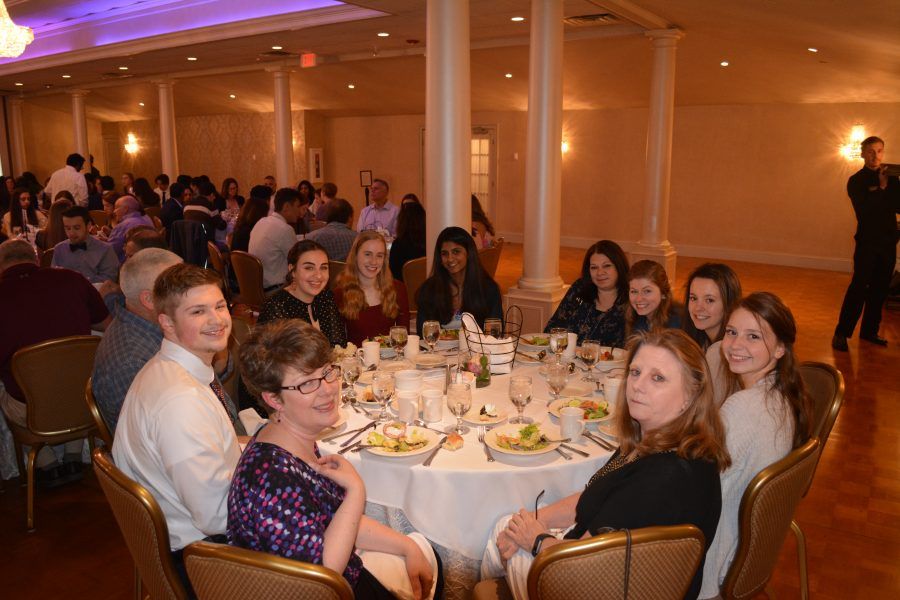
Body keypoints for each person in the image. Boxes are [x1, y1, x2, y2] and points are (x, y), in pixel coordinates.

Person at [482, 329, 730, 600]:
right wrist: (535, 521)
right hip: (615, 576)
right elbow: (596, 496)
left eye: (657, 378)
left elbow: (581, 569)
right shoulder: (660, 444)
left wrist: (535, 538)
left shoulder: (663, 479)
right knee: (514, 526)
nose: (638, 385)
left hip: (594, 585)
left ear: (690, 396)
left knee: (501, 529)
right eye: (635, 372)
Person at [230, 320, 441, 599]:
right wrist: (355, 491)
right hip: (330, 589)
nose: (328, 389)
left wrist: (406, 546)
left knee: (422, 550)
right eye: (307, 383)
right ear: (274, 399)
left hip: (339, 576)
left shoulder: (291, 440)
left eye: (328, 372)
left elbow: (335, 521)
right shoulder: (272, 478)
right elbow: (322, 578)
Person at [112, 264, 241, 593]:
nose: (217, 320)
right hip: (203, 559)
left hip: (188, 537)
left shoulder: (168, 371)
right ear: (166, 323)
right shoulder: (180, 401)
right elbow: (216, 517)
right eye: (198, 311)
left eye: (220, 305)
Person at [699, 292, 812, 598]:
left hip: (713, 550)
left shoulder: (743, 408)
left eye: (753, 337)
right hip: (744, 542)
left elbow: (699, 486)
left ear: (779, 348)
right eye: (732, 333)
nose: (735, 345)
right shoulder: (781, 395)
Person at [0, 240, 111, 486]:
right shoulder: (73, 279)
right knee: (71, 374)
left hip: (31, 409)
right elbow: (107, 326)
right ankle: (72, 455)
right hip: (84, 401)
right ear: (38, 259)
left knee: (11, 388)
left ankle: (45, 462)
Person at [92, 249, 183, 433]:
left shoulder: (153, 328)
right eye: (179, 287)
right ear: (149, 299)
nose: (190, 292)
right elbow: (168, 433)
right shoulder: (134, 361)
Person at [832, 135, 900, 351]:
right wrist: (880, 188)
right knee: (859, 287)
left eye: (879, 151)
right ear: (862, 153)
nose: (875, 156)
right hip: (867, 242)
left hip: (888, 242)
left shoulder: (894, 179)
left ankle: (869, 331)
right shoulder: (856, 180)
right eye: (871, 151)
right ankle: (841, 333)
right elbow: (865, 211)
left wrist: (889, 186)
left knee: (880, 289)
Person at [415, 226, 503, 335]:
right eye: (444, 254)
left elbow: (495, 334)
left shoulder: (488, 289)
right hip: (438, 351)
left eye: (456, 252)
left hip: (478, 351)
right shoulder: (429, 290)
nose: (450, 259)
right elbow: (423, 335)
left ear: (469, 253)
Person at [258, 240, 346, 346]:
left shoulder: (326, 298)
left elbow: (339, 344)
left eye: (323, 268)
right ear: (292, 270)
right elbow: (273, 357)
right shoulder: (276, 307)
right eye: (309, 268)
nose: (318, 275)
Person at [544, 240, 630, 346]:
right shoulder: (579, 289)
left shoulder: (631, 299)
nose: (600, 272)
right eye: (594, 267)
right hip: (567, 360)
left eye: (607, 266)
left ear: (619, 266)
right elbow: (553, 329)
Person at [334, 231, 410, 346]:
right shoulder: (340, 294)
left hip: (391, 361)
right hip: (357, 361)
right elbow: (337, 344)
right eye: (368, 254)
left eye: (379, 255)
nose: (374, 261)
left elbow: (404, 336)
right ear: (355, 256)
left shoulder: (397, 289)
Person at [248, 187, 305, 291]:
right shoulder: (285, 229)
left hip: (256, 288)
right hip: (276, 290)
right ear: (287, 206)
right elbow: (298, 261)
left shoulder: (261, 222)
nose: (300, 212)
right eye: (297, 206)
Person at [682, 263, 742, 351]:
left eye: (709, 300)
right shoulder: (700, 342)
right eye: (693, 298)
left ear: (729, 303)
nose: (698, 308)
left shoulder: (731, 351)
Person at [51, 206, 119, 283]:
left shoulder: (105, 250)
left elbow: (109, 281)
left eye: (77, 228)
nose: (71, 233)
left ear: (88, 226)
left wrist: (80, 281)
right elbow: (54, 278)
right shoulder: (59, 249)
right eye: (67, 228)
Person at [625, 259, 681, 337]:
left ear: (663, 293)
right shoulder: (637, 317)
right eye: (634, 291)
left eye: (647, 291)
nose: (639, 299)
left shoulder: (676, 324)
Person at [101, 195, 155, 262]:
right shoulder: (146, 218)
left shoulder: (122, 226)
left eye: (116, 208)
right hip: (151, 259)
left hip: (129, 265)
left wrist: (97, 242)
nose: (114, 211)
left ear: (125, 209)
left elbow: (110, 251)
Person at [389, 201, 426, 281]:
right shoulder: (430, 241)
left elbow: (393, 271)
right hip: (428, 288)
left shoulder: (398, 244)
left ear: (401, 220)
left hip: (404, 290)